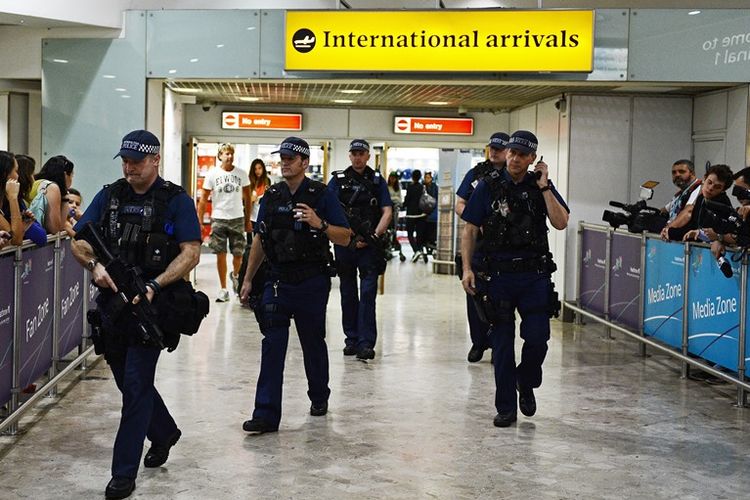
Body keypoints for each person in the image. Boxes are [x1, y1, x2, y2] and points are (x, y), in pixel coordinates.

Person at [71, 130, 201, 499]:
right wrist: (95, 265)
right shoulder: (111, 195)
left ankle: (123, 473)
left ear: (155, 160)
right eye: (125, 161)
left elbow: (190, 252)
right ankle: (163, 432)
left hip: (152, 305)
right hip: (113, 304)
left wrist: (155, 285)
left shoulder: (175, 200)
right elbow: (78, 239)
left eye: (137, 162)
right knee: (127, 381)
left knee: (137, 383)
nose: (129, 168)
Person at [239, 136, 350, 434]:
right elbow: (260, 239)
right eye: (282, 157)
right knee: (272, 344)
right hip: (277, 281)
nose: (285, 162)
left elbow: (345, 236)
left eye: (291, 158)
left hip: (312, 281)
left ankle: (319, 396)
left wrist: (320, 223)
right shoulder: (271, 196)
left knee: (312, 342)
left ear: (304, 163)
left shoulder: (321, 194)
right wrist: (248, 279)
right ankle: (265, 414)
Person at [460, 130, 569, 428]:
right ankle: (506, 406)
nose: (515, 159)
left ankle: (527, 379)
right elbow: (469, 228)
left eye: (522, 155)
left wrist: (545, 187)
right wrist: (467, 268)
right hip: (499, 277)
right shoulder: (488, 186)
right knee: (503, 345)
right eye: (512, 153)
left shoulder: (540, 187)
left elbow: (560, 222)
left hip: (534, 277)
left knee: (538, 339)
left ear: (533, 159)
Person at [328, 139, 393, 360]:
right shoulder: (337, 181)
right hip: (345, 245)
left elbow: (387, 211)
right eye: (354, 153)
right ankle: (352, 340)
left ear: (368, 156)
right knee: (347, 292)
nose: (357, 157)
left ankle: (366, 343)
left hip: (369, 246)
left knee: (367, 294)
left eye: (361, 153)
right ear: (349, 156)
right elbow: (327, 210)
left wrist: (374, 235)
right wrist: (347, 238)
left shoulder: (377, 181)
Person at [455, 132, 509, 363]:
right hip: (479, 244)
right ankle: (479, 343)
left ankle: (499, 345)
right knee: (475, 295)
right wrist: (477, 219)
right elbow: (460, 203)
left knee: (503, 300)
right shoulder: (477, 174)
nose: (494, 151)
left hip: (506, 246)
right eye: (491, 147)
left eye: (499, 148)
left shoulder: (515, 177)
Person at [197, 143, 251, 302]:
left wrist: (247, 220)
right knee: (220, 254)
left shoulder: (241, 174)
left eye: (231, 153)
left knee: (238, 254)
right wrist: (199, 221)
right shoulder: (212, 174)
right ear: (220, 156)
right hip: (219, 217)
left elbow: (247, 198)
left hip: (237, 217)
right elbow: (203, 199)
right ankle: (223, 288)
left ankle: (235, 276)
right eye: (226, 153)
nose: (229, 156)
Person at [660, 164, 733, 242]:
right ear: (704, 179)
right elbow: (692, 225)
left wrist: (671, 232)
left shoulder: (722, 204)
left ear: (723, 190)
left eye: (717, 187)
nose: (711, 188)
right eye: (709, 182)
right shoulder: (701, 198)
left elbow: (709, 232)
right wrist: (668, 230)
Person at [28, 155, 75, 234]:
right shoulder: (51, 188)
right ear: (65, 174)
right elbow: (55, 229)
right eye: (72, 175)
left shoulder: (37, 183)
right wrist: (66, 197)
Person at [661, 159, 701, 224]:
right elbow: (663, 210)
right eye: (674, 172)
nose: (677, 175)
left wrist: (669, 228)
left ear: (692, 173)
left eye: (682, 171)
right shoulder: (680, 194)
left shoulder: (698, 188)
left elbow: (688, 211)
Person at [0, 151, 25, 246]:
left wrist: (24, 226)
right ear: (6, 174)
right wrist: (13, 198)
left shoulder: (5, 199)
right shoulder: (11, 197)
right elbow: (15, 240)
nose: (18, 176)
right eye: (16, 171)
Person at [402, 169, 427, 262]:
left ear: (412, 177)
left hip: (411, 214)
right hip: (421, 214)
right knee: (420, 235)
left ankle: (416, 250)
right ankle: (419, 250)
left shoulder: (410, 187)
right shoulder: (423, 187)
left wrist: (403, 205)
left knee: (410, 234)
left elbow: (407, 200)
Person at [248, 158, 272, 232]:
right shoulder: (250, 182)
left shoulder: (267, 181)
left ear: (263, 169)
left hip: (263, 217)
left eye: (259, 168)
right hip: (251, 217)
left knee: (262, 240)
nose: (257, 171)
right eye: (255, 169)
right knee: (250, 242)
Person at [386, 171, 405, 261]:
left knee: (394, 229)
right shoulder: (386, 187)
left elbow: (400, 200)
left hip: (395, 211)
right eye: (391, 177)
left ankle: (393, 244)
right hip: (387, 210)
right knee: (387, 228)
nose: (392, 179)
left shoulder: (398, 187)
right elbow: (387, 198)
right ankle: (388, 246)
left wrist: (394, 199)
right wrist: (394, 199)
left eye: (394, 178)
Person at [422, 171, 439, 259]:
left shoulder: (434, 188)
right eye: (425, 178)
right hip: (426, 214)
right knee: (427, 231)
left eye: (428, 178)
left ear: (431, 178)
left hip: (433, 213)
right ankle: (428, 245)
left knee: (432, 231)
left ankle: (431, 245)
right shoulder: (423, 187)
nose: (427, 179)